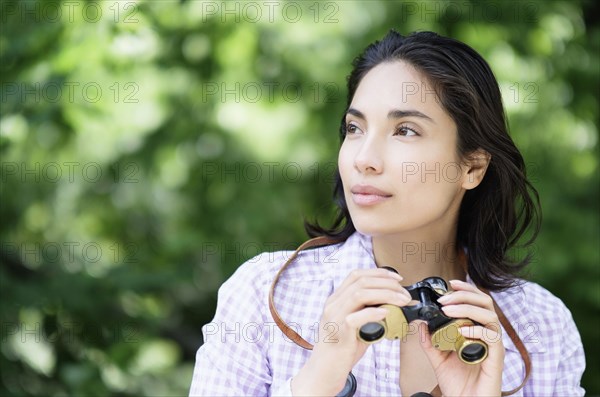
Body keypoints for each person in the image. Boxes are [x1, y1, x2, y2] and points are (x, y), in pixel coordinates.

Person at [189, 30, 585, 396]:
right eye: (354, 128)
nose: (364, 159)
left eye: (405, 130)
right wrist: (317, 379)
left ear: (472, 168)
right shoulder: (265, 293)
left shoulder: (541, 325)